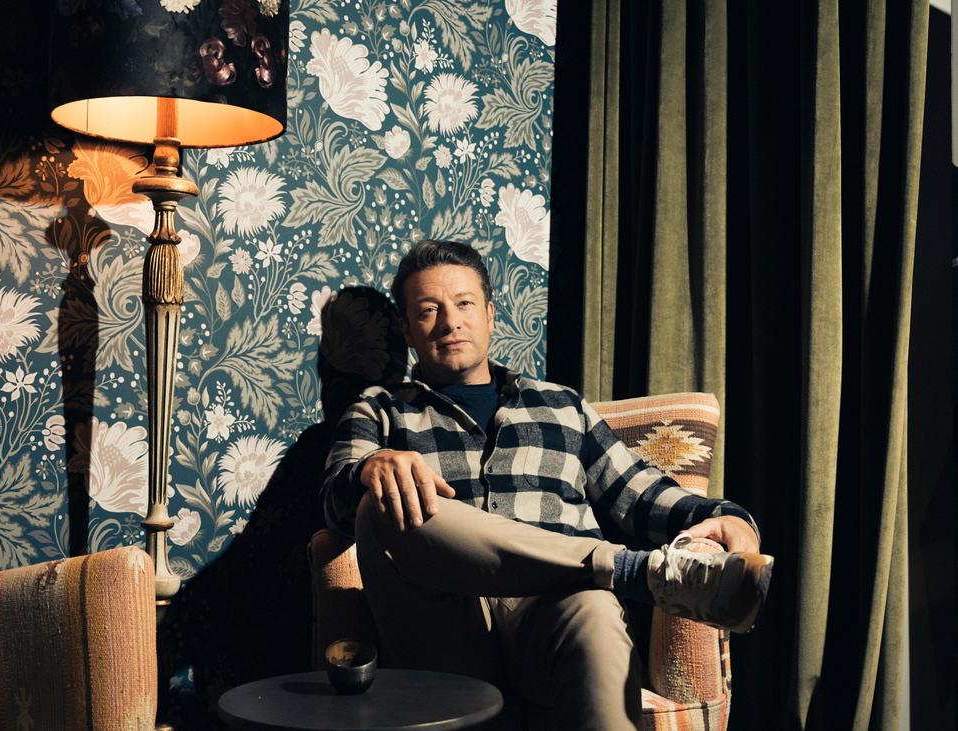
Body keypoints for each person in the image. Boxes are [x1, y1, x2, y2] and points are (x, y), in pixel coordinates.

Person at [321, 239, 773, 730]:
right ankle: (631, 571)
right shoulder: (379, 409)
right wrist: (370, 467)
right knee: (379, 502)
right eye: (429, 310)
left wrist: (725, 516)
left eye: (465, 304)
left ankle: (621, 574)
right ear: (409, 330)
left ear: (490, 314)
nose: (450, 322)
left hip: (555, 609)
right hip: (442, 623)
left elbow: (642, 494)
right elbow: (335, 509)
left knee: (595, 608)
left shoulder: (562, 406)